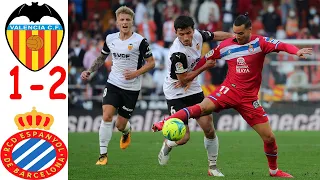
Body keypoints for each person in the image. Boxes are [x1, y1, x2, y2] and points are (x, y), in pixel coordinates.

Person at [153, 13, 312, 178]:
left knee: (269, 137)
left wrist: (296, 51)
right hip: (227, 91)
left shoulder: (260, 42)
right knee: (199, 111)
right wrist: (190, 75)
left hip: (249, 99)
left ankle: (274, 171)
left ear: (250, 30)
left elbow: (281, 45)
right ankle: (165, 123)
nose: (236, 37)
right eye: (234, 33)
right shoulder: (184, 53)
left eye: (240, 33)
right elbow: (206, 59)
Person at [156, 15, 233, 176]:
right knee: (184, 138)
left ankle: (212, 168)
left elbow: (214, 35)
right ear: (175, 33)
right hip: (175, 92)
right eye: (181, 34)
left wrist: (233, 37)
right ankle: (168, 145)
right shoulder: (177, 54)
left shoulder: (197, 35)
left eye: (188, 33)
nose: (185, 37)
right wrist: (206, 66)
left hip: (194, 88)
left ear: (193, 29)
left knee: (209, 129)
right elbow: (183, 80)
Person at [81, 6, 155, 165]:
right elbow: (102, 58)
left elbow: (151, 63)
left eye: (128, 19)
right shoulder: (110, 39)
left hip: (132, 88)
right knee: (107, 115)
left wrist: (136, 73)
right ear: (117, 22)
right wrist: (90, 71)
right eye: (122, 19)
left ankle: (127, 131)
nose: (125, 22)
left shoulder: (140, 41)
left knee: (120, 124)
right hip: (113, 82)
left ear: (132, 22)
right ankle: (102, 155)